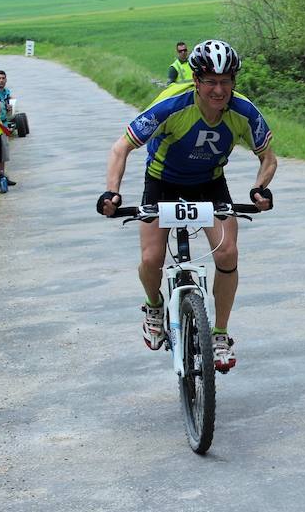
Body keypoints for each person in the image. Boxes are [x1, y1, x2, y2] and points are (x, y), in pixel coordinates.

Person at [97, 39, 277, 373]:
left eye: (225, 81)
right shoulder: (171, 104)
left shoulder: (244, 112)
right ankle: (153, 306)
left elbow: (268, 157)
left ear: (234, 82)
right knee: (152, 258)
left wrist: (259, 188)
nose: (218, 90)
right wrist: (112, 192)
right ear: (196, 80)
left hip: (209, 184)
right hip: (162, 183)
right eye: (210, 81)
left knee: (227, 254)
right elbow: (121, 147)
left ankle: (220, 334)